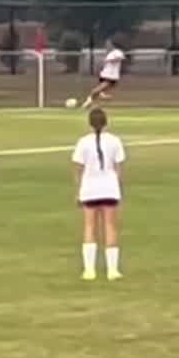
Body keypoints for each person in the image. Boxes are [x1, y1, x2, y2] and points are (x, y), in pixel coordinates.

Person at [71, 107, 127, 281]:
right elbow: (118, 168)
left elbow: (79, 169)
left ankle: (89, 270)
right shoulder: (115, 141)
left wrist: (79, 190)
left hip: (90, 189)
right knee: (110, 227)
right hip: (109, 188)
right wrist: (116, 186)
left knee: (89, 227)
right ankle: (112, 270)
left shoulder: (83, 142)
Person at [84, 40, 126, 106]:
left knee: (95, 91)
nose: (107, 46)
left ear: (112, 45)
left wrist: (111, 60)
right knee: (96, 92)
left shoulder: (117, 52)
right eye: (106, 45)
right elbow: (106, 64)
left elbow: (120, 58)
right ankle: (100, 97)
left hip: (111, 77)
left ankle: (87, 103)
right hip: (104, 76)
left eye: (108, 44)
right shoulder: (109, 54)